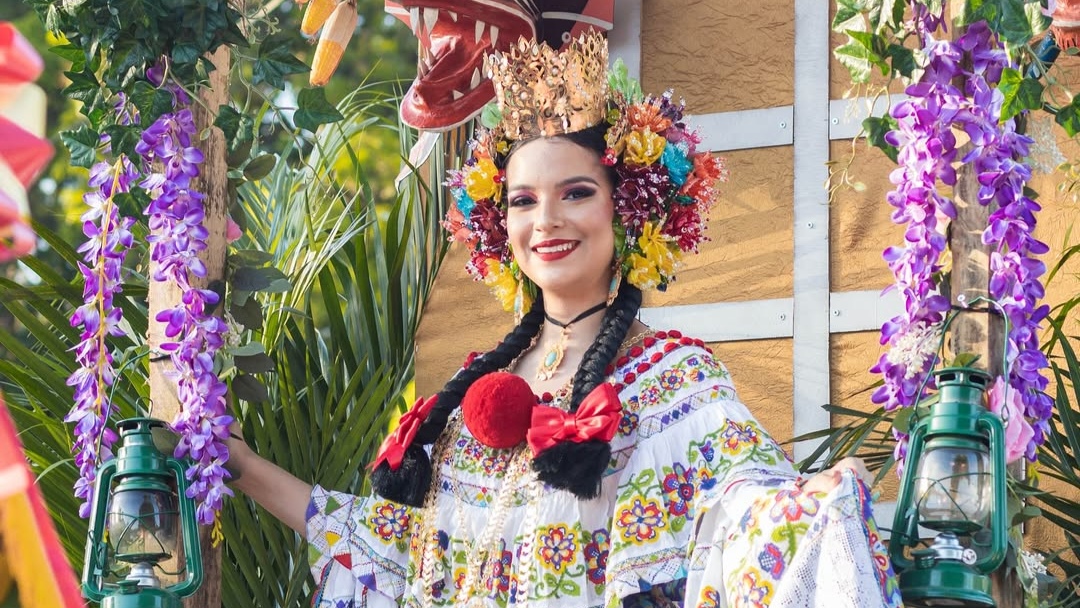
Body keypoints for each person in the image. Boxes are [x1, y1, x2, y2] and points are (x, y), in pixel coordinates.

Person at [226, 31, 903, 608]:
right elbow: (398, 554)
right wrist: (243, 466)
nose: (545, 221)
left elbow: (747, 518)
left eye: (575, 193)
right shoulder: (467, 395)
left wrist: (819, 499)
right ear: (499, 223)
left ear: (627, 209)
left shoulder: (673, 379)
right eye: (522, 201)